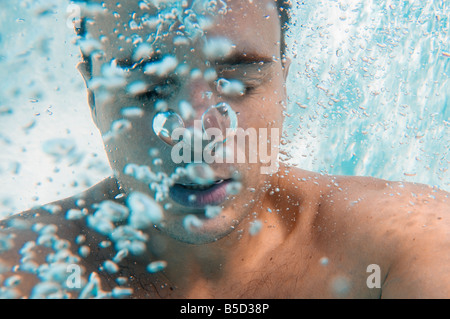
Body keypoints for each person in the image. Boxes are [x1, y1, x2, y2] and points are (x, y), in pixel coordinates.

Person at [1, 0, 449, 299]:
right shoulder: (19, 270)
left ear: (282, 86)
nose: (197, 133)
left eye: (237, 83)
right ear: (94, 97)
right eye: (145, 89)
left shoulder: (404, 246)